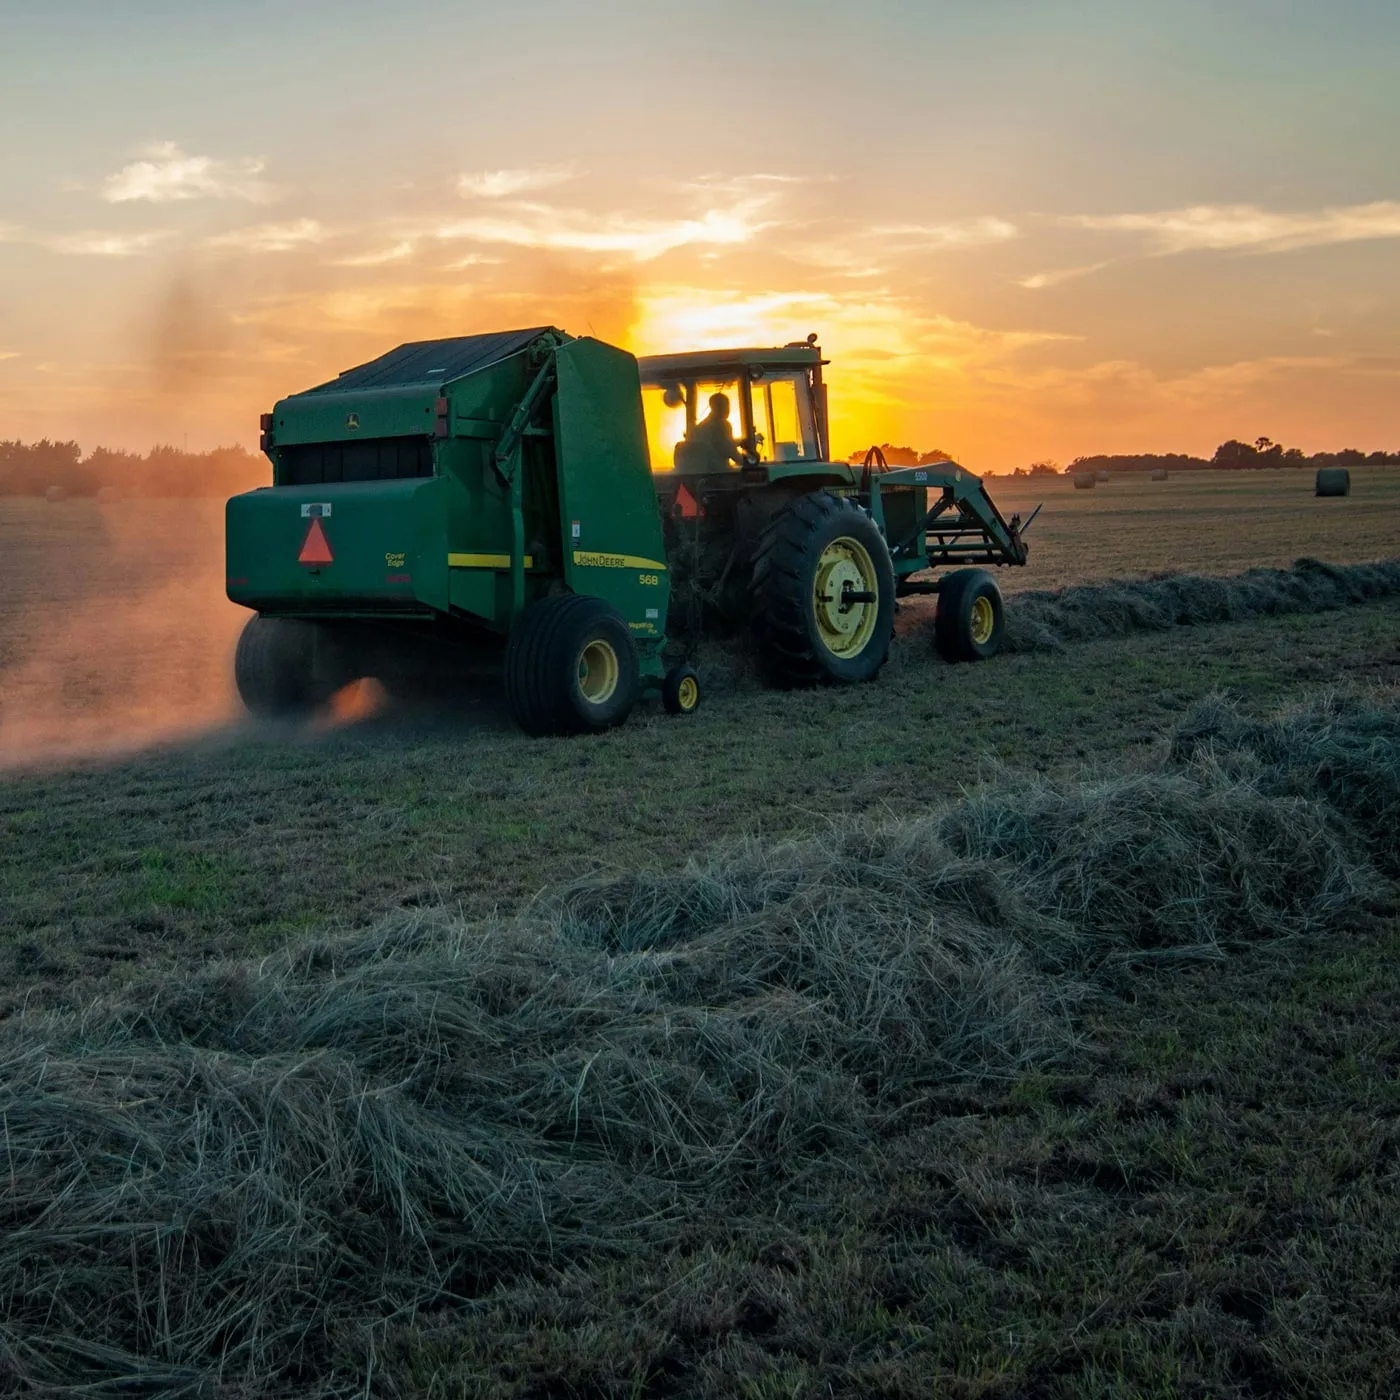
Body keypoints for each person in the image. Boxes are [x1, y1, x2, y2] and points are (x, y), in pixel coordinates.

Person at [677, 391, 753, 471]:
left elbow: (721, 443)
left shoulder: (701, 426)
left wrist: (739, 442)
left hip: (704, 472)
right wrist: (749, 461)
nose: (728, 409)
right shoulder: (723, 425)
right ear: (715, 407)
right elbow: (730, 451)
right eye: (725, 406)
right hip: (719, 472)